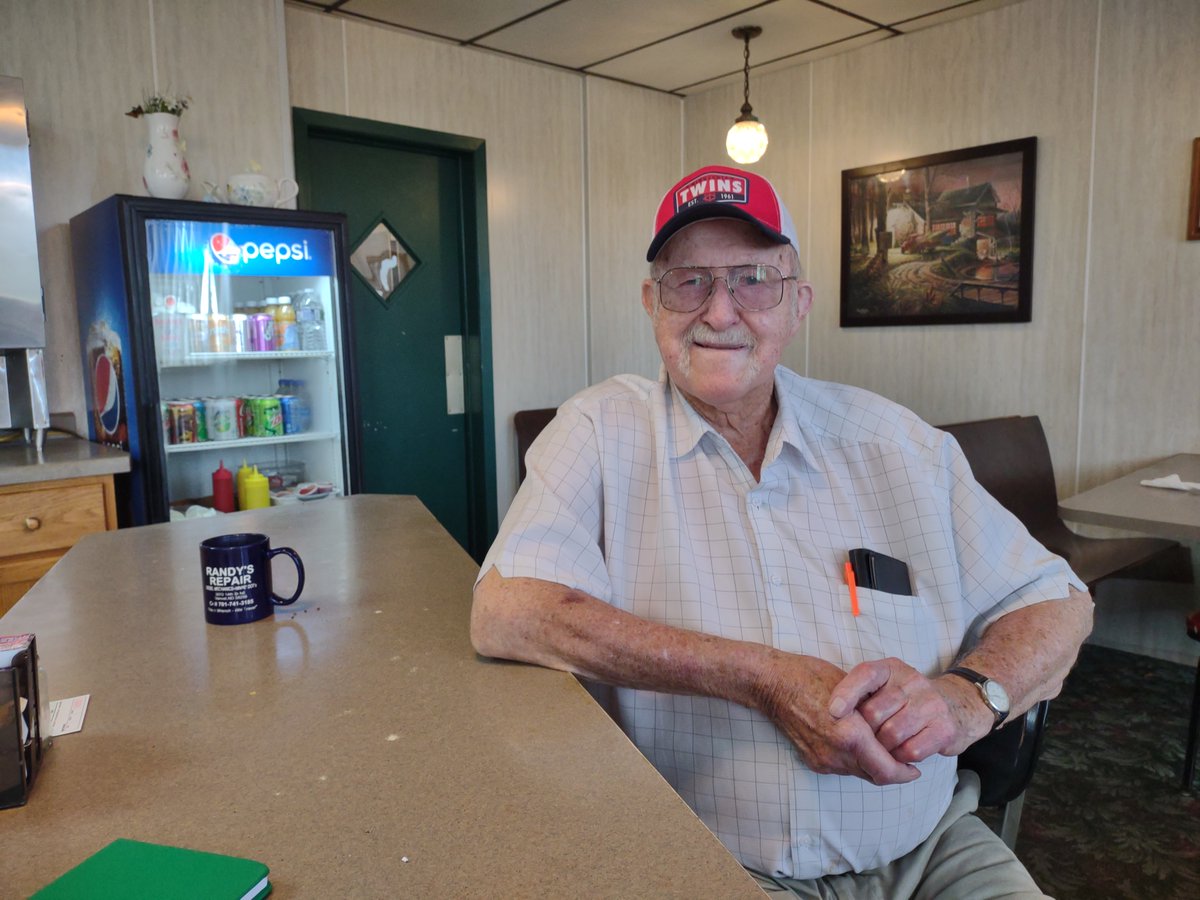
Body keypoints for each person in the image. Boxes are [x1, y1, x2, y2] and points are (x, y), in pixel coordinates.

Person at [471, 164, 1092, 898]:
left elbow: (1058, 600)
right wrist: (762, 679)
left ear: (799, 303)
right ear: (651, 303)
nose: (721, 311)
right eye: (689, 281)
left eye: (753, 280)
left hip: (928, 848)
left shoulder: (895, 442)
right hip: (711, 864)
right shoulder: (601, 431)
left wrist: (967, 699)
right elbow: (508, 612)